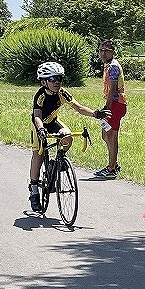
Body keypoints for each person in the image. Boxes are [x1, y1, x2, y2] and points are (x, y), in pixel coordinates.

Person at [29, 61, 110, 212]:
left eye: (59, 78)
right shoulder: (40, 95)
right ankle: (34, 189)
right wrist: (40, 130)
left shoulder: (62, 93)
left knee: (68, 136)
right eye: (53, 79)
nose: (57, 82)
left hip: (53, 122)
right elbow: (37, 116)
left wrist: (95, 113)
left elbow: (78, 107)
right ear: (44, 81)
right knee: (38, 155)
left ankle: (56, 162)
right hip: (39, 125)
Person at [93, 40, 127, 179]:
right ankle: (113, 163)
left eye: (106, 50)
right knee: (105, 135)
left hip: (115, 104)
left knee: (110, 136)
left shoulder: (113, 66)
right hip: (113, 103)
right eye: (101, 50)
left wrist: (106, 108)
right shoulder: (109, 65)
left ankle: (111, 168)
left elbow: (113, 89)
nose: (103, 53)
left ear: (112, 52)